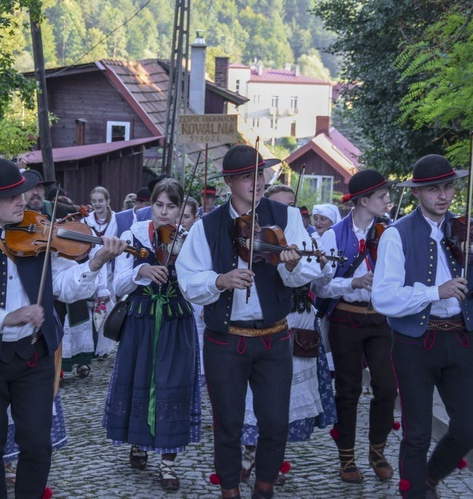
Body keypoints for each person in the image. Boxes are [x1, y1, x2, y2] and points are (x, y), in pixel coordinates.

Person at [0, 157, 124, 498]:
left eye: (21, 193)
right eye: (10, 197)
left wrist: (95, 263)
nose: (21, 201)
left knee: (38, 445)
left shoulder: (39, 229)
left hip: (33, 355)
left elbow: (65, 286)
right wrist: (4, 317)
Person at [176, 144, 320, 499]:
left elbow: (309, 271)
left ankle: (264, 488)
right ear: (229, 182)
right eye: (246, 176)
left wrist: (291, 264)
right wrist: (218, 281)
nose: (257, 181)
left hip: (274, 336)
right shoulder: (207, 226)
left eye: (260, 173)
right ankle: (229, 490)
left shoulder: (286, 217)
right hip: (225, 339)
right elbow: (188, 277)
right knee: (229, 423)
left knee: (274, 421)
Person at [373, 154, 473, 498]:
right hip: (414, 342)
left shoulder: (470, 228)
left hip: (460, 336)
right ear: (418, 193)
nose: (443, 195)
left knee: (469, 430)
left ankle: (427, 478)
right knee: (417, 433)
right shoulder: (396, 234)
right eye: (433, 189)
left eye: (449, 187)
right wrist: (432, 292)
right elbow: (383, 297)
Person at [104, 178, 201, 492]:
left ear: (180, 208)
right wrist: (141, 271)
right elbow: (116, 285)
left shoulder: (189, 239)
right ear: (151, 204)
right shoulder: (133, 233)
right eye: (159, 205)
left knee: (173, 384)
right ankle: (138, 440)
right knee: (140, 379)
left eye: (172, 206)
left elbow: (198, 287)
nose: (164, 212)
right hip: (141, 319)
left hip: (176, 321)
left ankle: (168, 464)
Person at [240, 185, 337, 487]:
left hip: (299, 318)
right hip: (266, 321)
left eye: (291, 206)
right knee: (256, 393)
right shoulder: (250, 235)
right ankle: (248, 454)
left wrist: (317, 263)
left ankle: (271, 458)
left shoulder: (305, 237)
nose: (283, 214)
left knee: (285, 398)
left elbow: (322, 279)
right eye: (278, 206)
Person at [312, 169, 398, 484]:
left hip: (379, 318)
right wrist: (353, 282)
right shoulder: (333, 235)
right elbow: (321, 287)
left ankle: (378, 451)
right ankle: (346, 459)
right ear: (364, 200)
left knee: (387, 387)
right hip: (345, 318)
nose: (388, 201)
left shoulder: (390, 232)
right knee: (347, 390)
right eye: (382, 197)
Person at [83, 186, 119, 358]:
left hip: (109, 269)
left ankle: (103, 346)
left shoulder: (115, 220)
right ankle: (89, 346)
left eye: (100, 200)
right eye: (94, 201)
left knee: (104, 307)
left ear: (107, 201)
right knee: (90, 307)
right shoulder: (86, 220)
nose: (97, 204)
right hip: (90, 266)